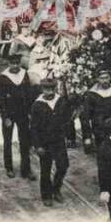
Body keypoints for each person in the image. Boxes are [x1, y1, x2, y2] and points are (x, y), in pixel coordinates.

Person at [30, 79, 71, 207]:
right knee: (46, 170)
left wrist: (68, 136)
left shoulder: (61, 101)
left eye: (51, 89)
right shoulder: (37, 105)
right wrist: (37, 146)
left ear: (55, 89)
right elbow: (34, 128)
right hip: (45, 143)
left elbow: (67, 119)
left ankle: (56, 189)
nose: (49, 92)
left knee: (63, 165)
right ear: (42, 90)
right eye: (46, 89)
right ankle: (46, 195)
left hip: (58, 141)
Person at [0, 54, 37, 180]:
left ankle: (26, 169)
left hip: (23, 113)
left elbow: (29, 94)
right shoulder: (3, 77)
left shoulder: (24, 74)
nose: (15, 66)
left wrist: (30, 112)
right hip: (9, 113)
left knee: (24, 141)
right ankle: (9, 167)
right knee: (7, 141)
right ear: (9, 64)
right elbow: (1, 99)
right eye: (12, 64)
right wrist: (5, 117)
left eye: (17, 63)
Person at [81, 68, 111, 154]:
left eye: (106, 77)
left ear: (110, 78)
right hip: (100, 130)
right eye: (102, 78)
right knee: (103, 153)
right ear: (97, 79)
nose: (104, 81)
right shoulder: (91, 95)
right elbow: (85, 117)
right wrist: (87, 137)